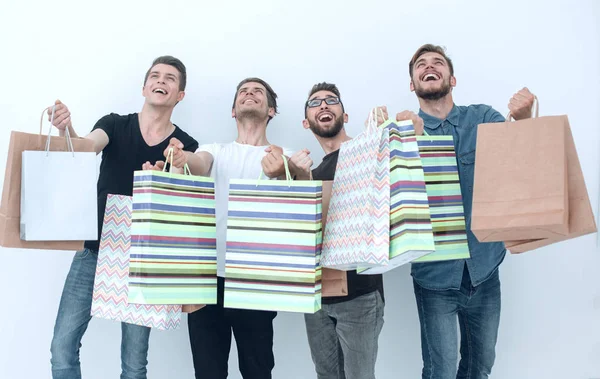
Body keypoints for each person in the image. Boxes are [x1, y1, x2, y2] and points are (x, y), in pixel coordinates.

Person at [48, 55, 199, 379]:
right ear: (144, 87)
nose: (161, 81)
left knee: (134, 364)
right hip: (94, 251)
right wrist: (66, 128)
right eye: (155, 76)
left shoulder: (184, 145)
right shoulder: (115, 124)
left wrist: (166, 174)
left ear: (180, 95)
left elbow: (183, 206)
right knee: (61, 348)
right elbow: (86, 147)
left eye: (170, 78)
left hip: (145, 261)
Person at [400, 44, 535, 379]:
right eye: (421, 65)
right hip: (435, 279)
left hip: (484, 271)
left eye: (437, 63)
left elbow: (518, 162)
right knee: (440, 371)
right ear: (413, 84)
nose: (429, 67)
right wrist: (404, 142)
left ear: (452, 78)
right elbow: (391, 201)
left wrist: (523, 119)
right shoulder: (401, 130)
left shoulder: (483, 118)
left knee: (479, 368)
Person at [161, 77, 302, 379]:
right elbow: (198, 163)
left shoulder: (284, 155)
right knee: (208, 372)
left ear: (271, 110)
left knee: (257, 370)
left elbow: (302, 195)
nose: (249, 94)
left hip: (257, 280)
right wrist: (181, 156)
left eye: (258, 92)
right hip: (206, 277)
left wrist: (288, 170)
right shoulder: (216, 150)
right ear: (233, 111)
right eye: (243, 92)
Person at [294, 81, 391, 379]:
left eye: (331, 100)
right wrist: (298, 180)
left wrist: (388, 135)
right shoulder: (313, 174)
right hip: (317, 297)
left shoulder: (367, 152)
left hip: (360, 296)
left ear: (344, 116)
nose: (323, 105)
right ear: (306, 122)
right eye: (315, 103)